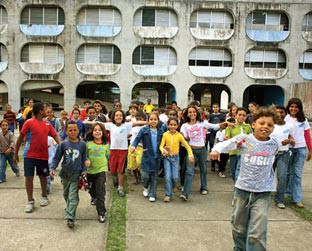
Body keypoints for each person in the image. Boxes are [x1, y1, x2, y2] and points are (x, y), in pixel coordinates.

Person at [210, 106, 279, 251]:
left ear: (273, 128)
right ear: (253, 124)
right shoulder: (244, 140)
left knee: (257, 232)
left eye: (270, 125)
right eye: (262, 123)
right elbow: (226, 144)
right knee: (239, 228)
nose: (265, 127)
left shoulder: (274, 144)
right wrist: (216, 150)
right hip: (242, 191)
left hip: (263, 193)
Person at [14, 102, 61, 213]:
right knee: (29, 178)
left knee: (43, 176)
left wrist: (64, 146)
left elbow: (55, 136)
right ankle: (30, 201)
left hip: (43, 156)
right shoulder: (29, 122)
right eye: (45, 109)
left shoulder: (48, 124)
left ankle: (44, 196)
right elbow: (20, 138)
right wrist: (15, 154)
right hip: (29, 155)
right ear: (40, 111)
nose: (47, 112)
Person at [179, 105, 230, 201]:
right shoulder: (184, 126)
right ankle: (185, 193)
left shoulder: (201, 123)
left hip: (202, 150)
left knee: (203, 169)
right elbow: (184, 139)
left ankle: (204, 187)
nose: (192, 114)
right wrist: (184, 137)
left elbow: (214, 126)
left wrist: (225, 123)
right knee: (189, 171)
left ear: (197, 113)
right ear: (187, 114)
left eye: (194, 112)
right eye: (190, 112)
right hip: (191, 151)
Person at [50, 120, 88, 228]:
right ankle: (69, 207)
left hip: (77, 174)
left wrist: (85, 170)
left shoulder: (82, 145)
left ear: (78, 130)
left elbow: (84, 158)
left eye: (75, 130)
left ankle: (70, 217)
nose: (73, 132)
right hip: (65, 174)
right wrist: (52, 168)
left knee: (73, 196)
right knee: (66, 194)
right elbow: (57, 158)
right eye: (70, 130)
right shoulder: (63, 144)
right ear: (66, 131)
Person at [131, 112, 164, 202]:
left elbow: (164, 143)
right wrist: (134, 146)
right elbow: (137, 139)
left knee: (154, 176)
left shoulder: (161, 131)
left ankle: (152, 194)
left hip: (157, 157)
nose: (153, 121)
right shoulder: (144, 130)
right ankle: (145, 186)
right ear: (148, 121)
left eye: (155, 119)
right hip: (146, 156)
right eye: (151, 119)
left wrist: (166, 149)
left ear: (158, 121)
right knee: (145, 176)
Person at [285, 98, 312, 208]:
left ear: (299, 108)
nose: (294, 109)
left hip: (300, 149)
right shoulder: (285, 119)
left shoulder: (304, 120)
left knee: (297, 174)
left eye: (296, 107)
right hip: (288, 149)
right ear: (289, 107)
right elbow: (282, 132)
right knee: (287, 173)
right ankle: (286, 193)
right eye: (292, 106)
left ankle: (297, 199)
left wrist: (310, 150)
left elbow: (307, 135)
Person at [159, 117, 194, 202]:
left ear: (177, 126)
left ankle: (174, 185)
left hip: (175, 158)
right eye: (171, 125)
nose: (172, 127)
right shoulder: (165, 135)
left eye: (174, 125)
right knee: (167, 176)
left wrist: (190, 155)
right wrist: (163, 150)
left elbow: (187, 146)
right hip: (167, 157)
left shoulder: (179, 136)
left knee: (175, 177)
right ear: (168, 125)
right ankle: (168, 195)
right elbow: (161, 146)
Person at [270, 105, 295, 209]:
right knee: (266, 176)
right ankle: (263, 196)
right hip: (270, 154)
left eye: (282, 112)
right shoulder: (270, 124)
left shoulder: (289, 125)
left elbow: (292, 139)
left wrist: (289, 141)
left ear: (285, 114)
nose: (280, 115)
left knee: (282, 177)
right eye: (277, 112)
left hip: (283, 154)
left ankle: (279, 199)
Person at [85, 123, 110, 223]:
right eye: (95, 130)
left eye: (99, 130)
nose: (97, 132)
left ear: (103, 132)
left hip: (101, 171)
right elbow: (85, 156)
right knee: (92, 189)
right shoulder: (88, 145)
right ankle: (93, 197)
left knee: (101, 192)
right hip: (90, 171)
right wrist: (86, 160)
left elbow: (107, 156)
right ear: (92, 132)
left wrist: (105, 165)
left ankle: (101, 213)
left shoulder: (106, 145)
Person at [225, 107, 253, 183]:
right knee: (233, 172)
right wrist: (227, 139)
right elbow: (227, 138)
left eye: (243, 115)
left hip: (243, 153)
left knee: (239, 172)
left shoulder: (248, 127)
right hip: (233, 152)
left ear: (246, 116)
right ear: (235, 115)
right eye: (239, 114)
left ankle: (236, 191)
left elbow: (251, 138)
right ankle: (236, 187)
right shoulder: (230, 126)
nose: (241, 117)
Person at [127, 110, 145, 185]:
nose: (138, 121)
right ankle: (136, 179)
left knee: (139, 162)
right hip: (132, 146)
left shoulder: (145, 127)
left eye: (140, 119)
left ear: (143, 119)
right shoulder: (133, 127)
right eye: (137, 119)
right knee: (132, 163)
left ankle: (140, 172)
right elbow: (129, 135)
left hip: (141, 147)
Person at [209, 103, 224, 171]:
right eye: (214, 107)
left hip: (219, 133)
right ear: (212, 108)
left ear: (219, 108)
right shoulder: (211, 116)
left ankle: (218, 163)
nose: (215, 108)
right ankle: (212, 164)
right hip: (212, 133)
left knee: (219, 148)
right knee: (212, 147)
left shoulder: (221, 115)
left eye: (216, 107)